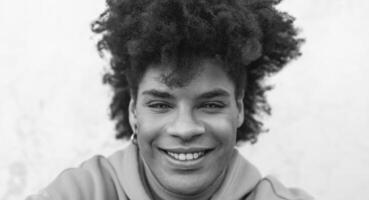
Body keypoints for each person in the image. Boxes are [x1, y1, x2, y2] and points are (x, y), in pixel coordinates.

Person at [27, 0, 313, 199]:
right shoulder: (85, 191)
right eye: (161, 105)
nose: (185, 129)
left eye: (211, 105)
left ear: (238, 109)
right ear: (133, 112)